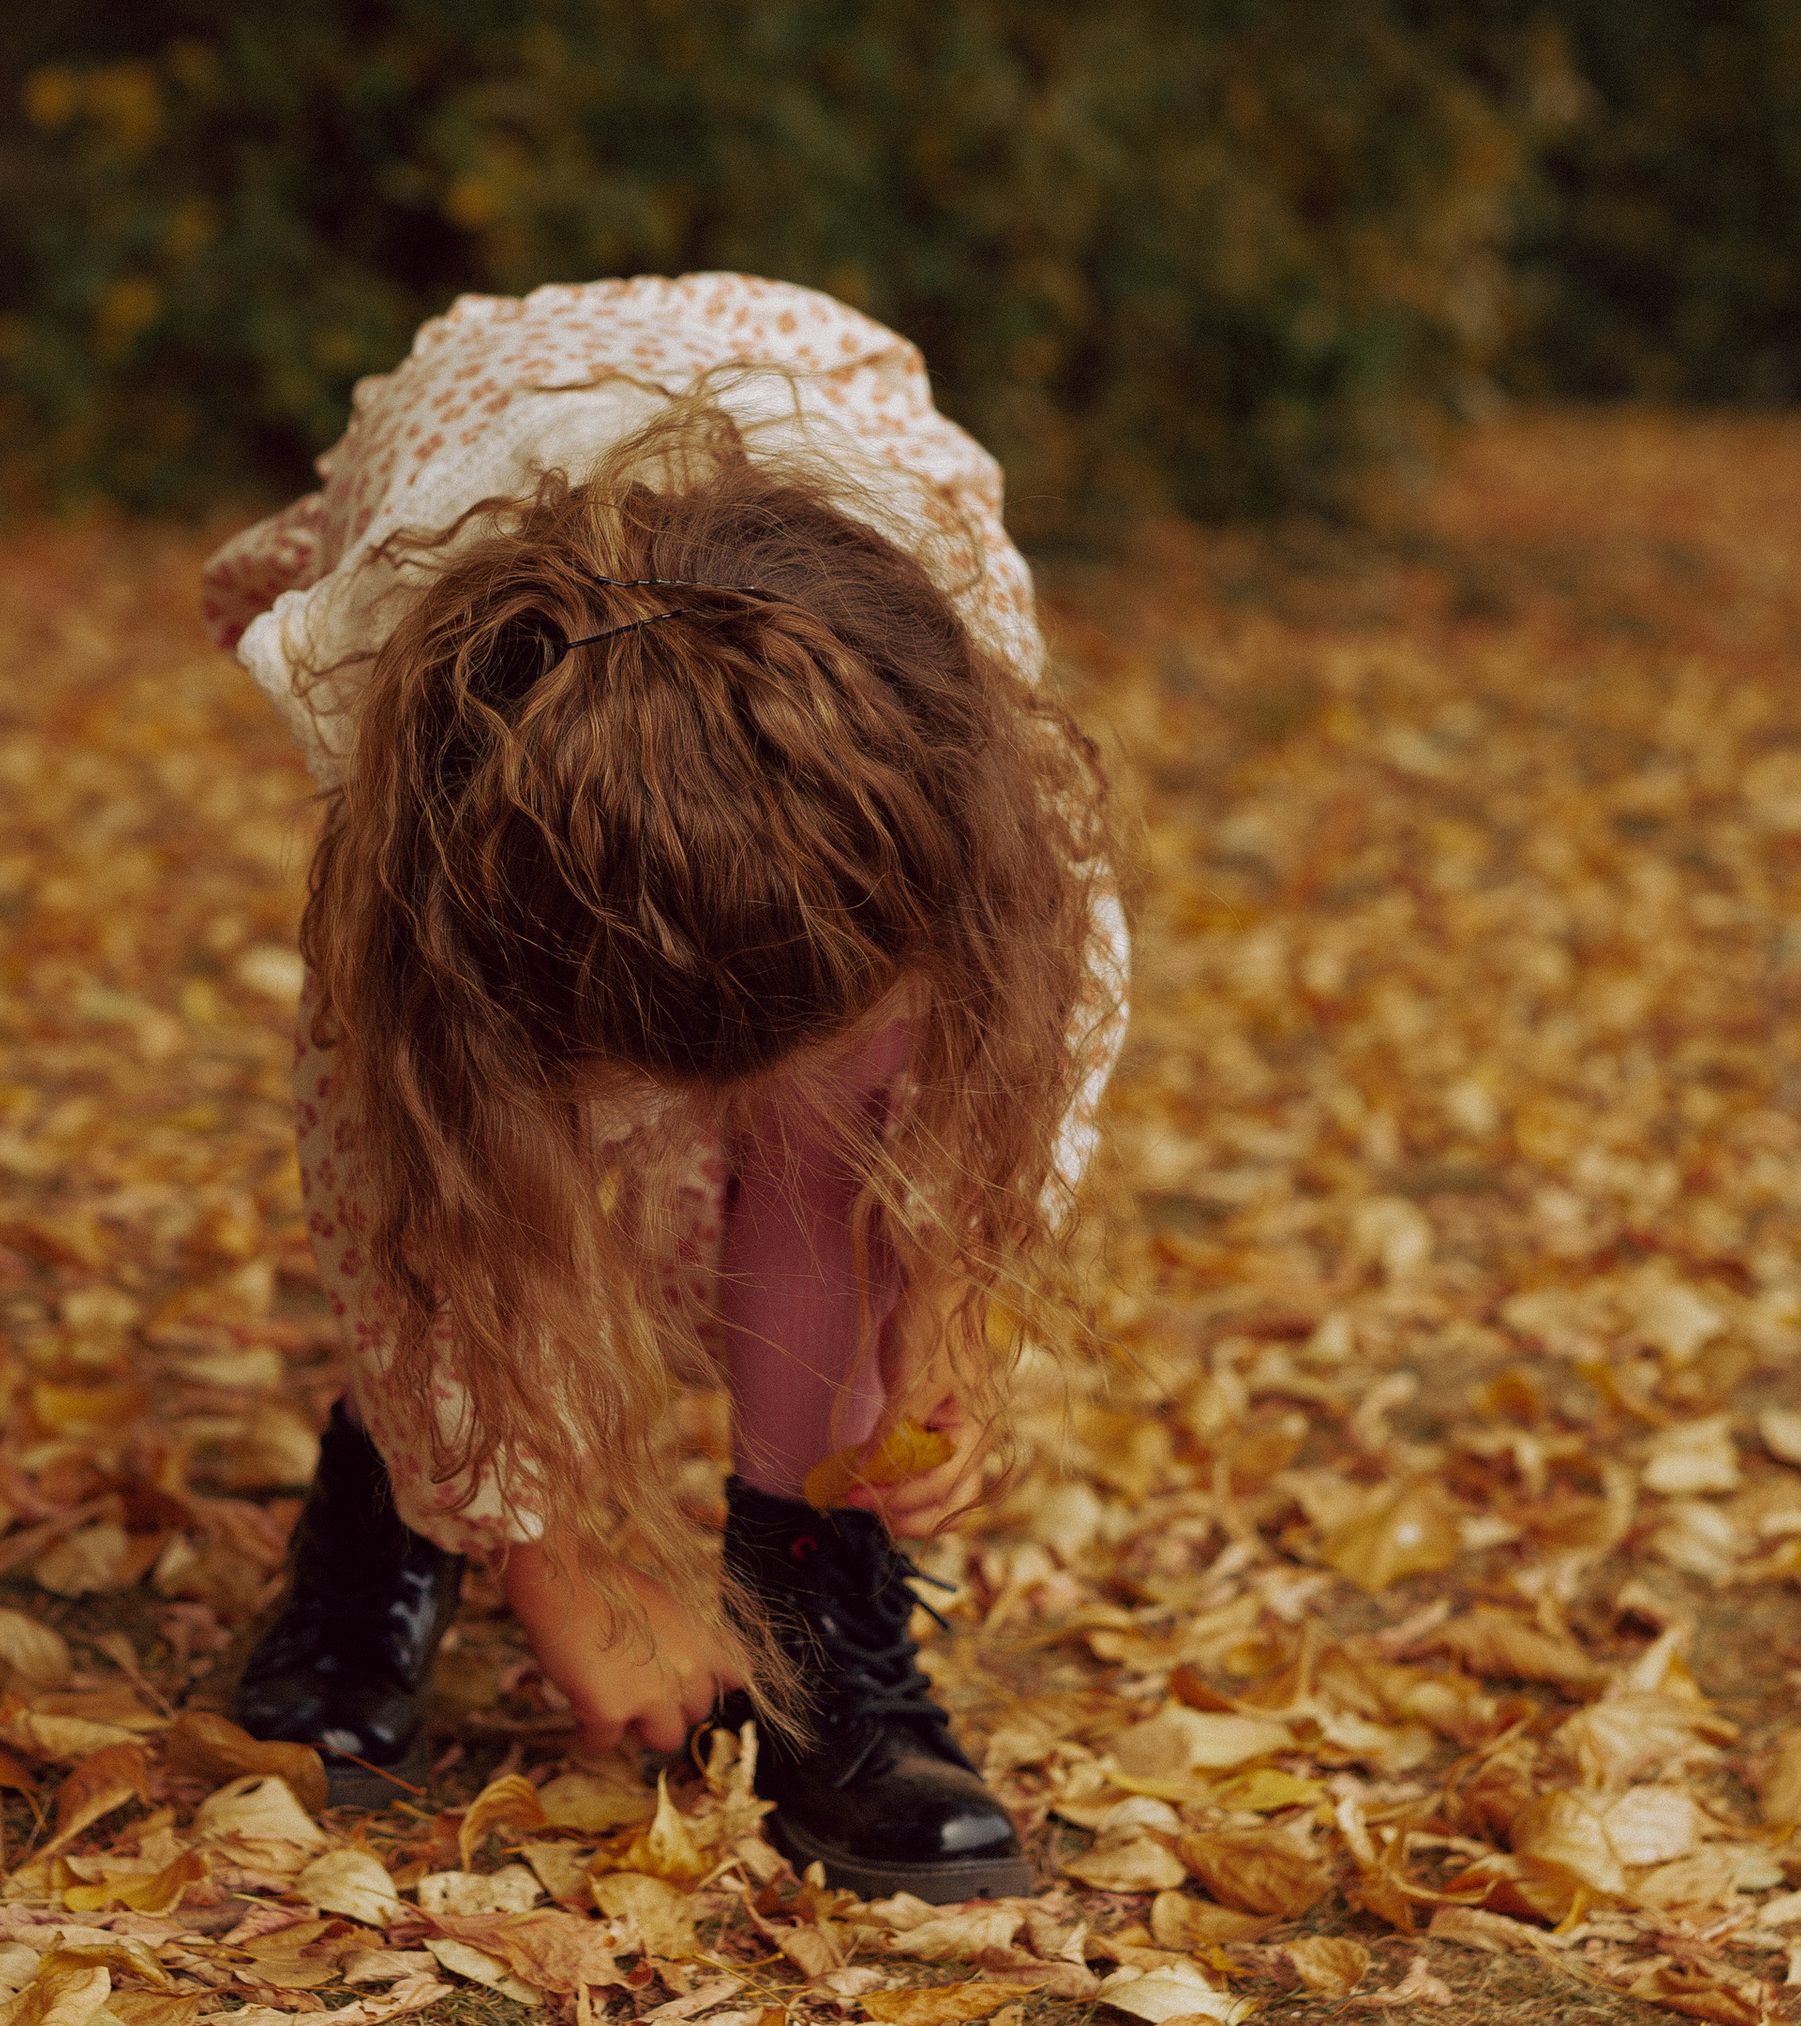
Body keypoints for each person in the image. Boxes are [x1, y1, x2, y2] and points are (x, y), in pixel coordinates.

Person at [199, 273, 1125, 1902]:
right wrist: (552, 1558)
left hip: (829, 492)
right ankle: (396, 1507)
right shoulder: (427, 795)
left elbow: (1025, 1070)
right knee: (492, 1142)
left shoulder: (987, 796)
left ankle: (811, 1591)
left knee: (841, 1127)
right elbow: (398, 1187)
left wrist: (955, 1297)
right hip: (480, 493)